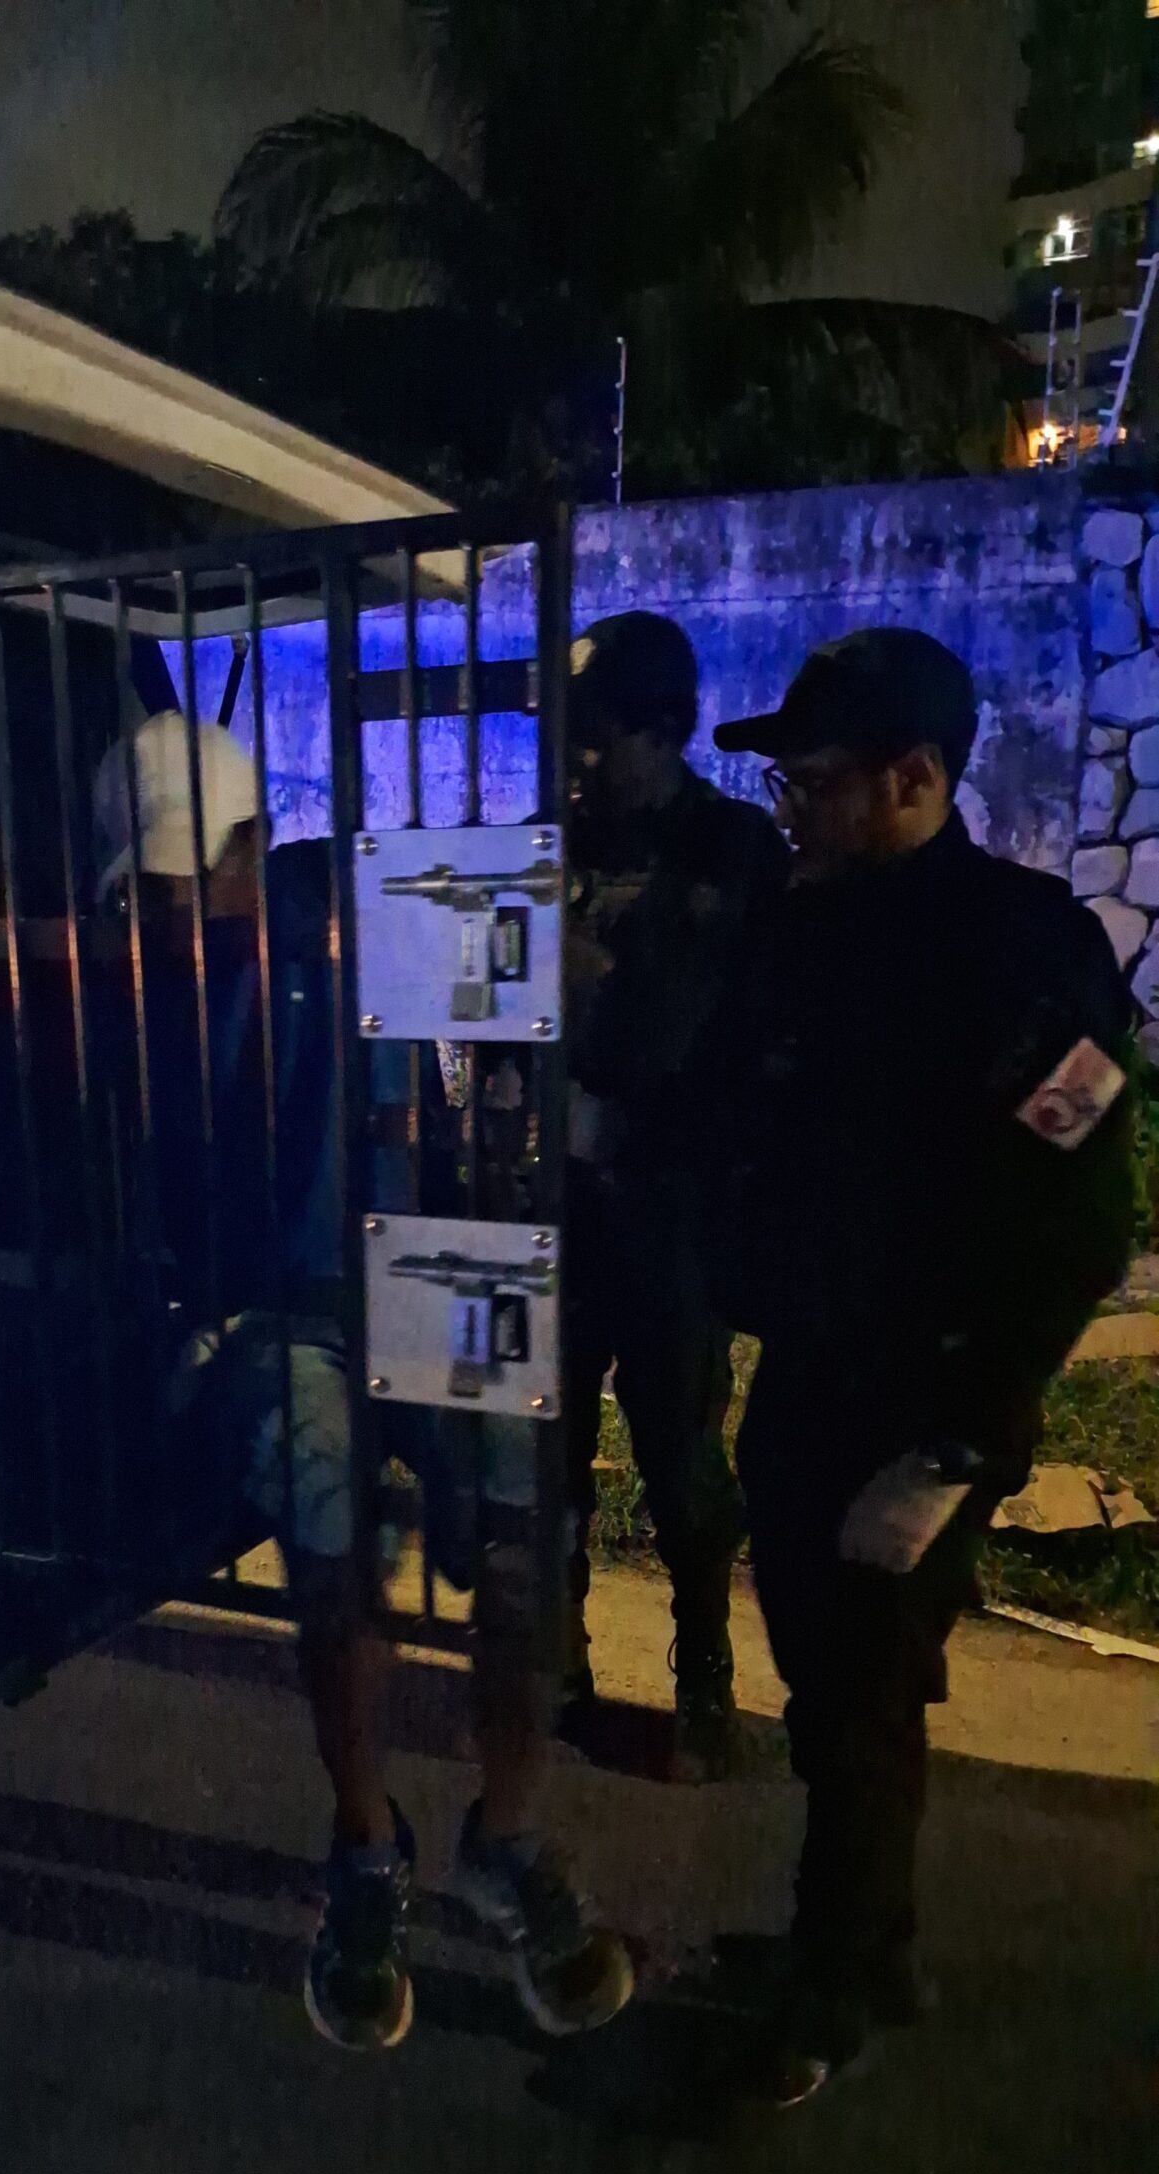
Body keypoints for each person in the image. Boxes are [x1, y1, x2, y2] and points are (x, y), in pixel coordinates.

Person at [92, 709, 634, 2056]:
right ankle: (363, 1847)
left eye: (186, 877)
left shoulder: (354, 905)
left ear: (248, 846)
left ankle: (508, 1839)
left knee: (526, 1542)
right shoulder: (130, 981)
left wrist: (530, 924)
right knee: (329, 1541)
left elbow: (557, 967)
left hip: (432, 1259)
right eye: (148, 890)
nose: (171, 910)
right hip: (272, 1303)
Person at [700, 627, 1134, 2096]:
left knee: (864, 1693)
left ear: (913, 778)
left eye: (814, 780)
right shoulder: (806, 923)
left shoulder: (1020, 951)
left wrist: (960, 1442)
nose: (791, 808)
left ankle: (830, 1994)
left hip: (922, 1398)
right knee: (829, 1683)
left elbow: (1074, 1225)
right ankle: (861, 1946)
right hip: (811, 1372)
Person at [559, 613, 789, 1778]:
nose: (578, 758)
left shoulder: (734, 852)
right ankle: (554, 1669)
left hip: (673, 1209)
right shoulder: (547, 845)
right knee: (543, 1450)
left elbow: (773, 1032)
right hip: (556, 1203)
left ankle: (703, 1672)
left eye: (598, 736)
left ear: (665, 730)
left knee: (683, 1462)